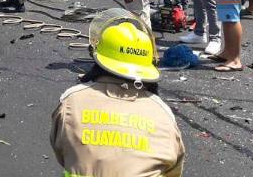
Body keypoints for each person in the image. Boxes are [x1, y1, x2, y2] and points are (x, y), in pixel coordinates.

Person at [51, 22, 184, 177]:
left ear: (98, 59)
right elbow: (174, 170)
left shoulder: (72, 101)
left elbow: (62, 152)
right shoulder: (162, 112)